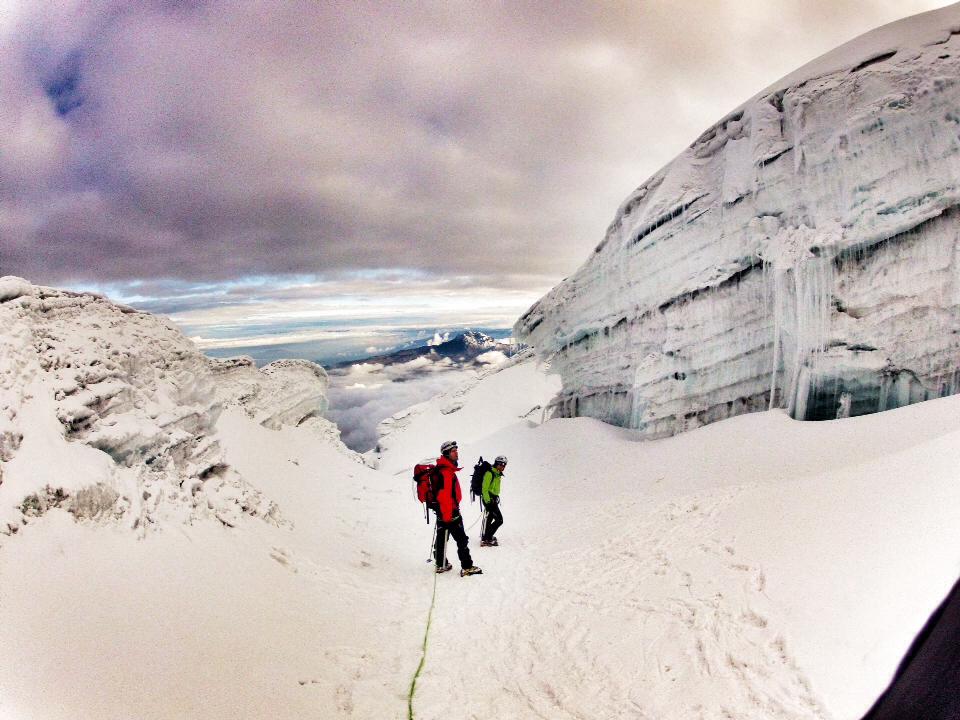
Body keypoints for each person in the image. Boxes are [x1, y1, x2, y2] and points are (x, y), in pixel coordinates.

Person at [434, 440, 482, 577]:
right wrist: (448, 517)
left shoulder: (442, 469)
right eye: (453, 451)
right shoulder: (446, 472)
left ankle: (441, 564)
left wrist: (444, 516)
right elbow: (444, 497)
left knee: (442, 539)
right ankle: (467, 567)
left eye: (456, 450)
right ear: (446, 454)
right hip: (450, 513)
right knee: (462, 540)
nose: (456, 453)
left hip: (442, 512)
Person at [480, 455, 506, 547]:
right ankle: (487, 538)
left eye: (504, 465)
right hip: (489, 499)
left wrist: (495, 497)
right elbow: (484, 489)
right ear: (496, 463)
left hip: (493, 498)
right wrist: (488, 501)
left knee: (490, 518)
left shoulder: (497, 473)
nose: (503, 466)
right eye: (501, 464)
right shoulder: (490, 473)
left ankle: (486, 538)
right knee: (499, 520)